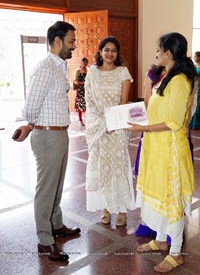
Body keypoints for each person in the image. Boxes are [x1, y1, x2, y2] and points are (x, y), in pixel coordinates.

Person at [128, 32, 196, 273]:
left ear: (168, 53)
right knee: (158, 196)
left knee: (171, 199)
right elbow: (154, 108)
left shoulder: (179, 81)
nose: (156, 54)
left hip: (170, 151)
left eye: (158, 49)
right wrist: (138, 120)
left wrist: (143, 127)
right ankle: (159, 239)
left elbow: (175, 121)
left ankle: (176, 252)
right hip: (157, 147)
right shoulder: (167, 77)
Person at [13, 21, 81, 261]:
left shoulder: (60, 66)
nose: (74, 46)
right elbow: (31, 106)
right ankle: (44, 239)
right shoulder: (44, 67)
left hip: (60, 133)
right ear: (58, 40)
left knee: (57, 186)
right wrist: (29, 124)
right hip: (47, 135)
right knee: (46, 189)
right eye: (71, 41)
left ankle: (56, 224)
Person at [85, 36, 135, 227]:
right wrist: (101, 123)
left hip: (117, 127)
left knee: (119, 166)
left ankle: (122, 209)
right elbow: (89, 102)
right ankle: (105, 208)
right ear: (100, 51)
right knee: (101, 167)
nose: (110, 53)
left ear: (117, 53)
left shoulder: (123, 72)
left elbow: (123, 103)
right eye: (106, 49)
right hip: (98, 128)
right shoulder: (92, 73)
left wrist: (112, 124)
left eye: (113, 50)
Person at [74, 57, 88, 126]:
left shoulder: (88, 70)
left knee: (87, 104)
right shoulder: (78, 70)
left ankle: (87, 119)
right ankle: (80, 120)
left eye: (86, 63)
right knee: (80, 104)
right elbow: (76, 81)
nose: (85, 64)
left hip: (87, 90)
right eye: (84, 62)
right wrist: (83, 83)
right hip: (80, 90)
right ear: (81, 63)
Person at [189, 51, 200, 129]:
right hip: (194, 86)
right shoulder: (194, 66)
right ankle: (192, 123)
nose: (194, 58)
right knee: (193, 103)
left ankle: (197, 124)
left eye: (195, 56)